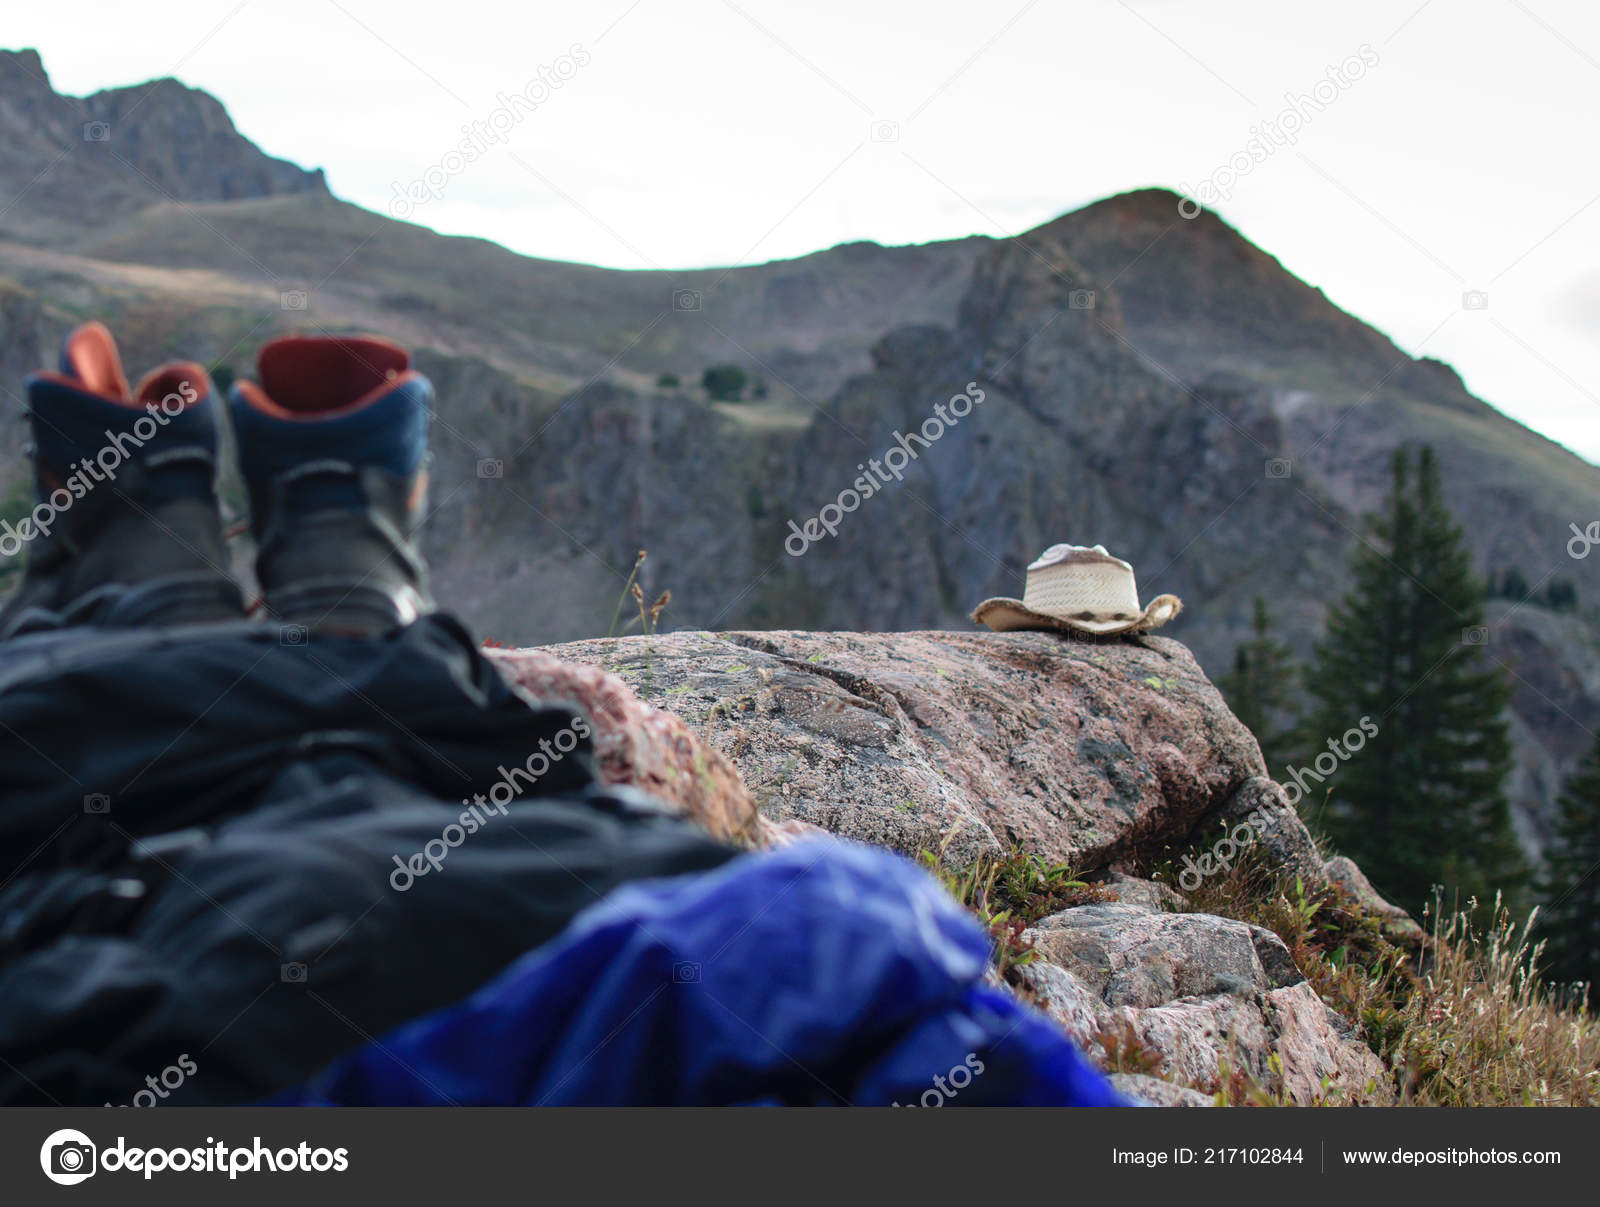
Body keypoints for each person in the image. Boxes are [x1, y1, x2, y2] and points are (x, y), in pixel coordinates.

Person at [0, 324, 1122, 1107]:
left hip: (234, 984)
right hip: (547, 942)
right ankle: (301, 583)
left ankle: (190, 585)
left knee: (134, 738)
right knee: (344, 739)